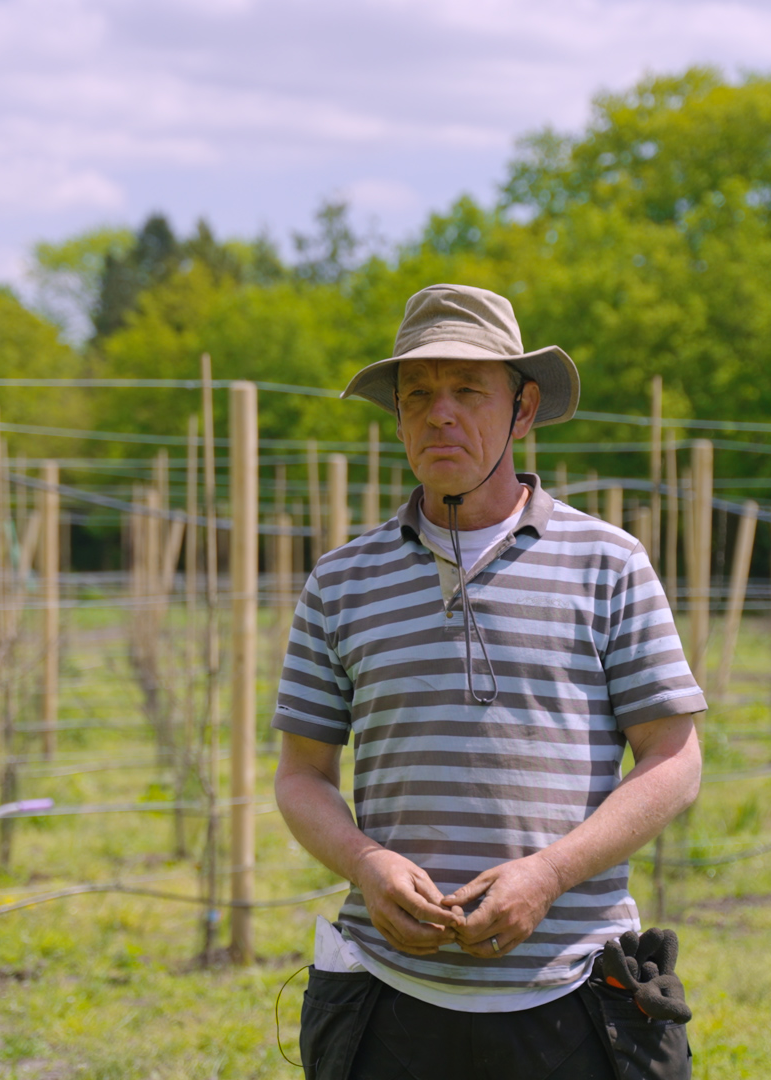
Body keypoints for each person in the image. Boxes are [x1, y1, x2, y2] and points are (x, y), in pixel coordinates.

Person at [273, 284, 705, 1080]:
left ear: (523, 409)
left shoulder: (608, 564)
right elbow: (301, 776)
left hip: (575, 998)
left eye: (469, 390)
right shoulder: (341, 582)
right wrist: (365, 863)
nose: (440, 414)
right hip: (388, 1003)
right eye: (417, 395)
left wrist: (547, 876)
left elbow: (674, 761)